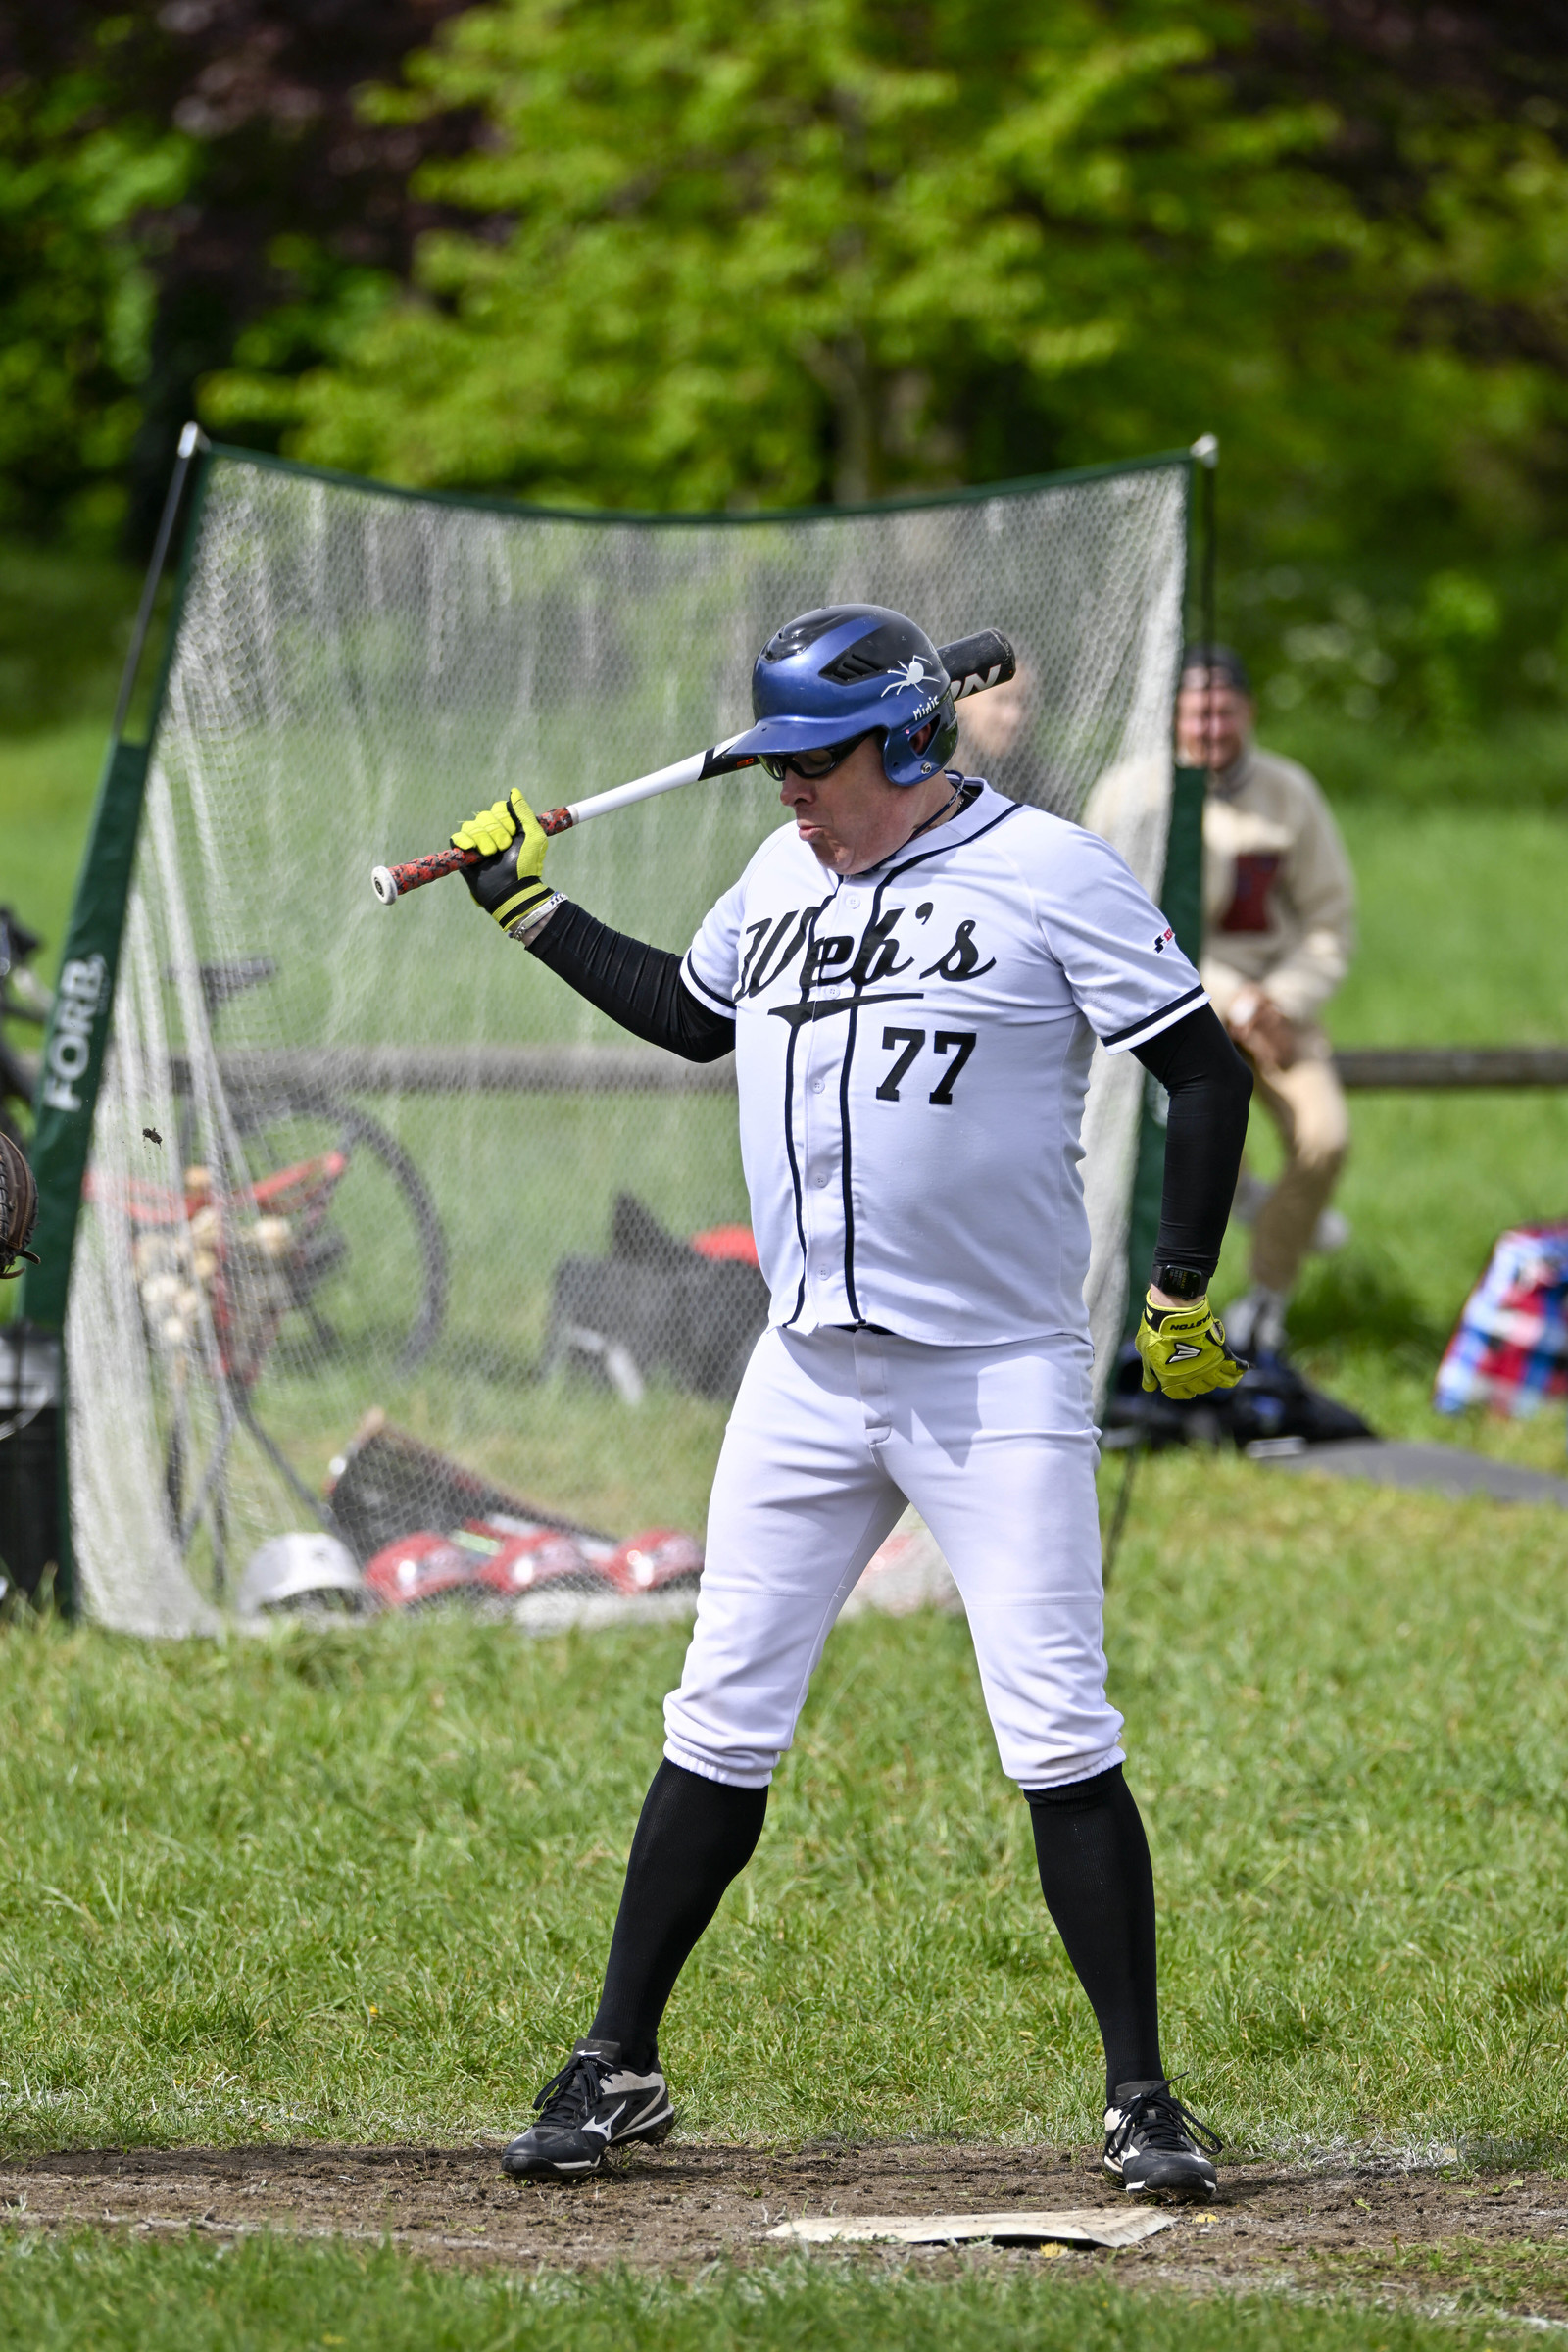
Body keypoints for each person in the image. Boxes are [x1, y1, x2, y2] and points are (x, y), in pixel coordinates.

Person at [450, 604, 1251, 2200]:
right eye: (773, 768)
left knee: (1058, 1729)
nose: (788, 794)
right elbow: (695, 1015)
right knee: (719, 1716)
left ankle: (1143, 2094)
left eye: (813, 766)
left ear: (901, 743)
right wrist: (521, 904)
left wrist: (1178, 1298)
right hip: (808, 1374)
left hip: (993, 1377)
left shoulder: (1054, 872)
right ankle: (619, 2062)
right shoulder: (779, 878)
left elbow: (1204, 1072)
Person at [1173, 647, 1356, 1360]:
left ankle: (1267, 1298)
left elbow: (1329, 921)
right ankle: (1178, 1313)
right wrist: (1227, 998)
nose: (1211, 725)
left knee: (1325, 1135)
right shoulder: (1143, 794)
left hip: (1279, 1011)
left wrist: (1279, 998)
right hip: (1182, 1006)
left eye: (1223, 709)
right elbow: (1128, 922)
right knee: (1202, 1136)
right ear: (1174, 716)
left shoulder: (1290, 793)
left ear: (1247, 712)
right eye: (1196, 711)